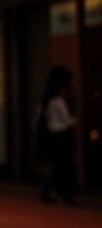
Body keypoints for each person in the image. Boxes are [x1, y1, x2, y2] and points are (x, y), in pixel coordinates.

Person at [38, 64, 79, 205]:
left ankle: (51, 191)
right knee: (65, 167)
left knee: (58, 167)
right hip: (62, 136)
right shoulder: (59, 101)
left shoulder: (47, 101)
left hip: (52, 137)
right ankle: (63, 194)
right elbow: (67, 121)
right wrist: (77, 119)